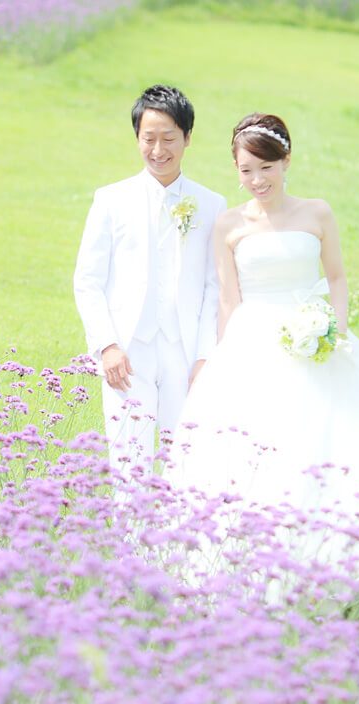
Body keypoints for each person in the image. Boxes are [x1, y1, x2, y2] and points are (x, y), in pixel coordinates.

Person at [166, 113, 359, 568]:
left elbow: (336, 277)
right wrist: (219, 358)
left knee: (344, 436)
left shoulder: (317, 212)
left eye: (266, 167)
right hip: (252, 343)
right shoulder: (228, 225)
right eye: (246, 169)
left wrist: (334, 328)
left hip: (314, 337)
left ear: (286, 161)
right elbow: (229, 302)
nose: (256, 179)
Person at [73, 85, 227, 476]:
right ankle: (129, 537)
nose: (158, 150)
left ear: (188, 138)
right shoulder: (110, 200)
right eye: (149, 139)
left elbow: (214, 288)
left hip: (185, 349)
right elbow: (88, 280)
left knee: (187, 462)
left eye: (169, 139)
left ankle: (180, 538)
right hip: (127, 351)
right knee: (129, 462)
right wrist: (107, 345)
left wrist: (205, 355)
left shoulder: (211, 205)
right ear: (137, 138)